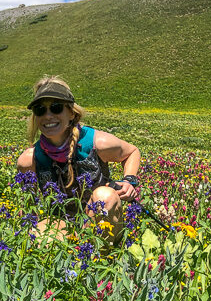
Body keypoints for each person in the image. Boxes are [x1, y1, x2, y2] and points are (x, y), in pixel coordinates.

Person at [16, 75, 141, 244]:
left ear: (71, 113)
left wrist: (129, 181)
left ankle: (103, 257)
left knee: (105, 196)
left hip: (99, 217)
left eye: (56, 107)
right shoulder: (29, 160)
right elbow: (28, 206)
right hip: (60, 223)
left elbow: (132, 151)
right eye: (40, 110)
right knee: (37, 239)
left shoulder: (96, 143)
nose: (48, 115)